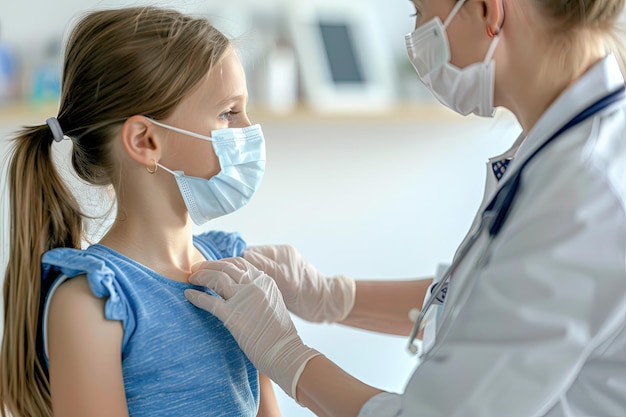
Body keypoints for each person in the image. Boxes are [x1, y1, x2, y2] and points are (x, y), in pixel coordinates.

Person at [185, 0, 626, 416]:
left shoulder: (587, 193)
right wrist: (332, 296)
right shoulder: (559, 150)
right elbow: (492, 299)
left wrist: (285, 354)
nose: (416, 34)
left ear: (489, 10)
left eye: (421, 11)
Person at [0, 6, 281, 417]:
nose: (249, 131)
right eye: (227, 113)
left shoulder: (235, 268)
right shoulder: (93, 300)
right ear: (145, 141)